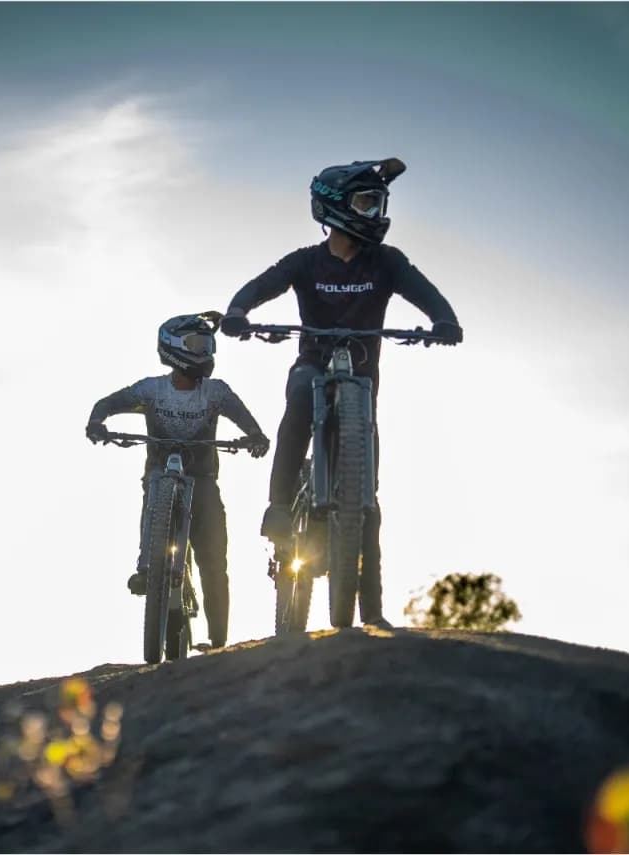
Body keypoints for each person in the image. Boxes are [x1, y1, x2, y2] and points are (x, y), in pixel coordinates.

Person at [219, 158, 463, 630]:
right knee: (298, 399)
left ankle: (369, 612)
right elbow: (260, 284)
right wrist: (237, 311)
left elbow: (428, 295)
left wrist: (445, 321)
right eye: (366, 203)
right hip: (311, 363)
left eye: (378, 203)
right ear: (335, 208)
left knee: (366, 496)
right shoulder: (305, 262)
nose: (375, 213)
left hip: (362, 381)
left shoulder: (388, 263)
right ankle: (277, 506)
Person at [85, 312, 270, 649]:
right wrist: (97, 421)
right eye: (198, 345)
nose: (206, 352)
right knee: (154, 486)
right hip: (160, 473)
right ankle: (147, 566)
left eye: (208, 344)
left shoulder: (216, 393)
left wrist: (255, 435)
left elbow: (243, 416)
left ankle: (218, 641)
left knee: (213, 558)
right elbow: (108, 402)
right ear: (173, 348)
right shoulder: (152, 390)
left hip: (203, 480)